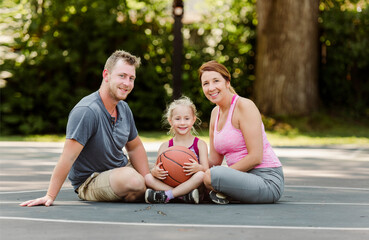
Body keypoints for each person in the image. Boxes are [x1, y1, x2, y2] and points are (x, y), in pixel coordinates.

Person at [20, 50, 151, 207]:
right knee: (133, 180)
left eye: (131, 78)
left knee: (167, 169)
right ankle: (151, 192)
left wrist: (149, 177)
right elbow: (68, 157)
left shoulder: (124, 108)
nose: (127, 83)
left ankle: (168, 194)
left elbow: (135, 147)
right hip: (91, 180)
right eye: (122, 76)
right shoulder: (87, 111)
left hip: (120, 170)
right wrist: (50, 195)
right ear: (106, 75)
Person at [199, 60, 284, 204]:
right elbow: (214, 161)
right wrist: (191, 165)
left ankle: (212, 191)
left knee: (212, 176)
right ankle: (217, 192)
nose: (211, 87)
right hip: (237, 178)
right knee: (199, 174)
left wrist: (224, 174)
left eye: (216, 81)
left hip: (266, 180)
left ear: (227, 82)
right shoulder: (215, 113)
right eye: (205, 83)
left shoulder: (244, 106)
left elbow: (256, 157)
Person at [144, 96, 209, 204]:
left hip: (192, 185)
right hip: (171, 183)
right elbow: (157, 168)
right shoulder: (165, 146)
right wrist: (155, 172)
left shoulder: (199, 144)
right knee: (148, 177)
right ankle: (183, 196)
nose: (182, 123)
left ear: (193, 120)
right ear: (170, 121)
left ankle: (168, 195)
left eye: (186, 118)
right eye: (177, 119)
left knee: (201, 175)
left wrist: (198, 167)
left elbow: (205, 169)